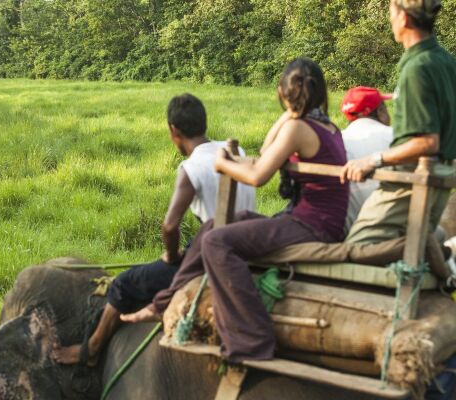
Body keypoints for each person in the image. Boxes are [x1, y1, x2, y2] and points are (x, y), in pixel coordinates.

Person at [123, 59, 349, 362]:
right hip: (312, 217)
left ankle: (251, 338)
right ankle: (163, 303)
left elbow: (258, 175)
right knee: (215, 225)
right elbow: (268, 151)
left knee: (218, 241)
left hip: (313, 224)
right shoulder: (325, 124)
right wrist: (291, 111)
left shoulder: (299, 127)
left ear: (282, 92)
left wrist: (223, 164)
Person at [52, 93, 255, 365]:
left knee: (123, 284)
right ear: (203, 123)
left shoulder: (191, 167)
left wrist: (171, 256)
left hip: (214, 256)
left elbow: (170, 225)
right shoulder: (235, 151)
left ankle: (91, 349)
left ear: (174, 131)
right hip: (246, 244)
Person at [342, 0, 456, 245]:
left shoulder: (417, 67)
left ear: (404, 18)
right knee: (410, 243)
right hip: (443, 177)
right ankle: (441, 255)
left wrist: (372, 160)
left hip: (411, 178)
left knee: (358, 246)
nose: (390, 20)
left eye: (391, 13)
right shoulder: (446, 61)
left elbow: (426, 142)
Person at [340, 86, 393, 231]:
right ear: (381, 112)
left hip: (345, 229)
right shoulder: (398, 139)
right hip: (392, 228)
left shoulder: (336, 140)